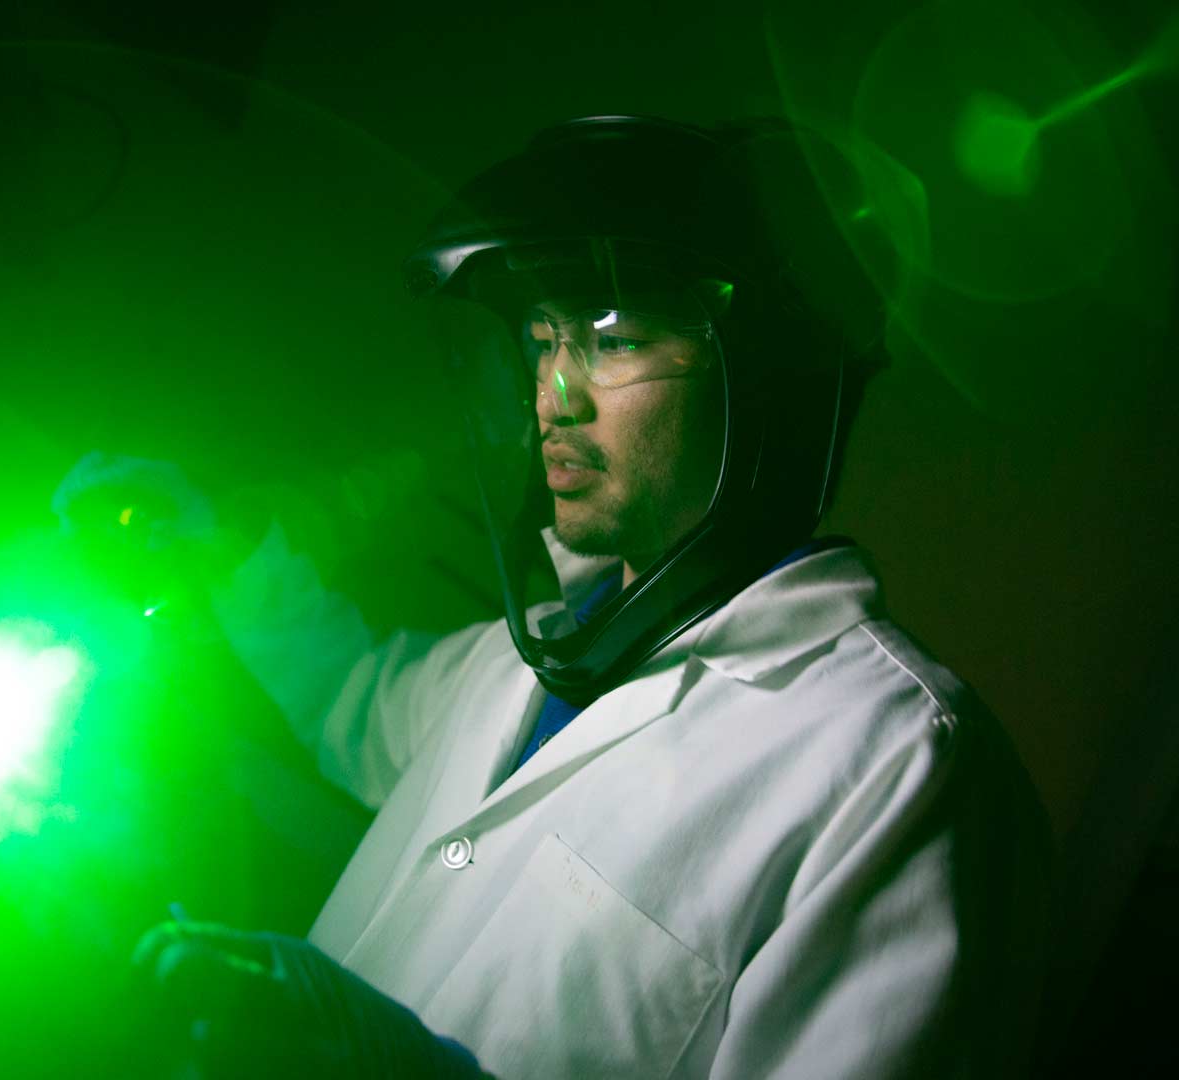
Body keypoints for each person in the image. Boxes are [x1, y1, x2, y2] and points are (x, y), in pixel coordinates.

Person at [72, 116, 1052, 1078]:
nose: (554, 394)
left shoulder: (898, 766)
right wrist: (217, 544)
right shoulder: (534, 650)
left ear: (772, 379)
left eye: (613, 338)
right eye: (543, 341)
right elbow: (355, 697)